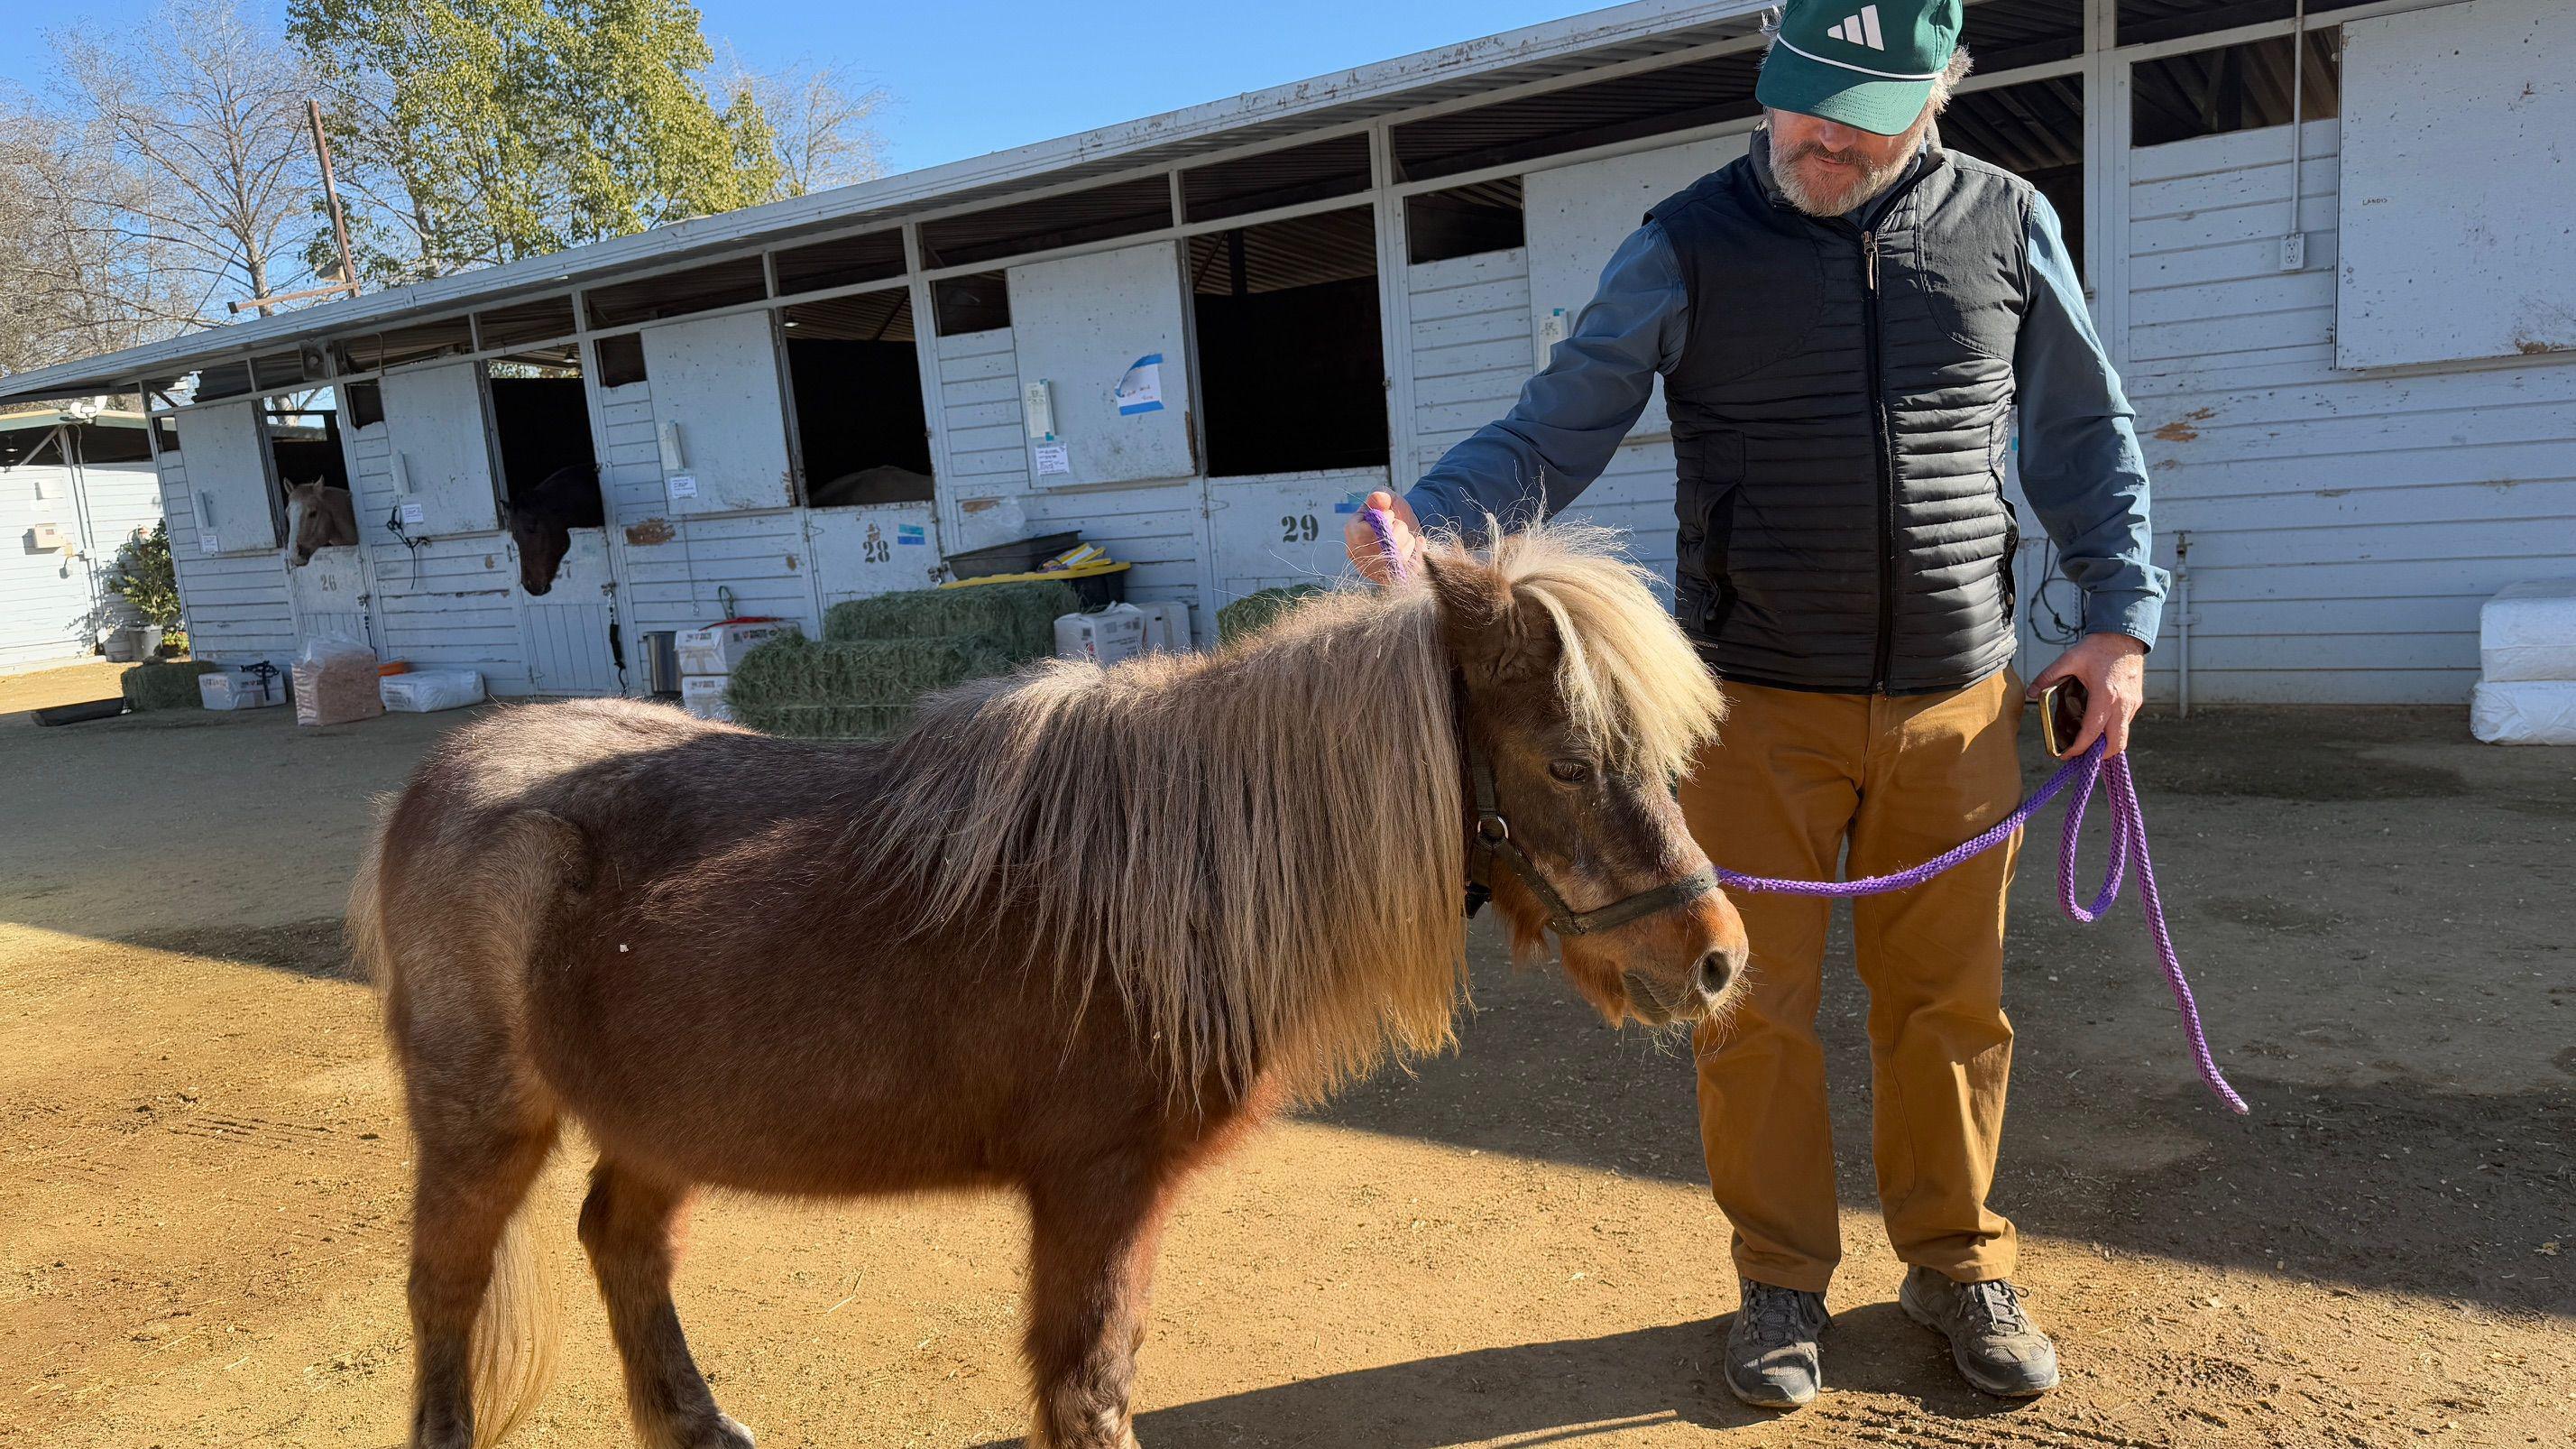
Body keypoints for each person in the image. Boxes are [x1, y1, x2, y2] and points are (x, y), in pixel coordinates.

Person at [1346, 0, 2167, 1410]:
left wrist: (2117, 622)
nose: (1812, 139)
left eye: (1853, 113)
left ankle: (1959, 1261)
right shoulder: (1687, 238)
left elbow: (2083, 429)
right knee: (1749, 1005)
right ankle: (1780, 1279)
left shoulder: (2007, 220)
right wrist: (1426, 523)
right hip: (1752, 708)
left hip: (1956, 704)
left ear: (1938, 94)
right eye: (1795, 102)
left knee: (1950, 1004)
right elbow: (1561, 420)